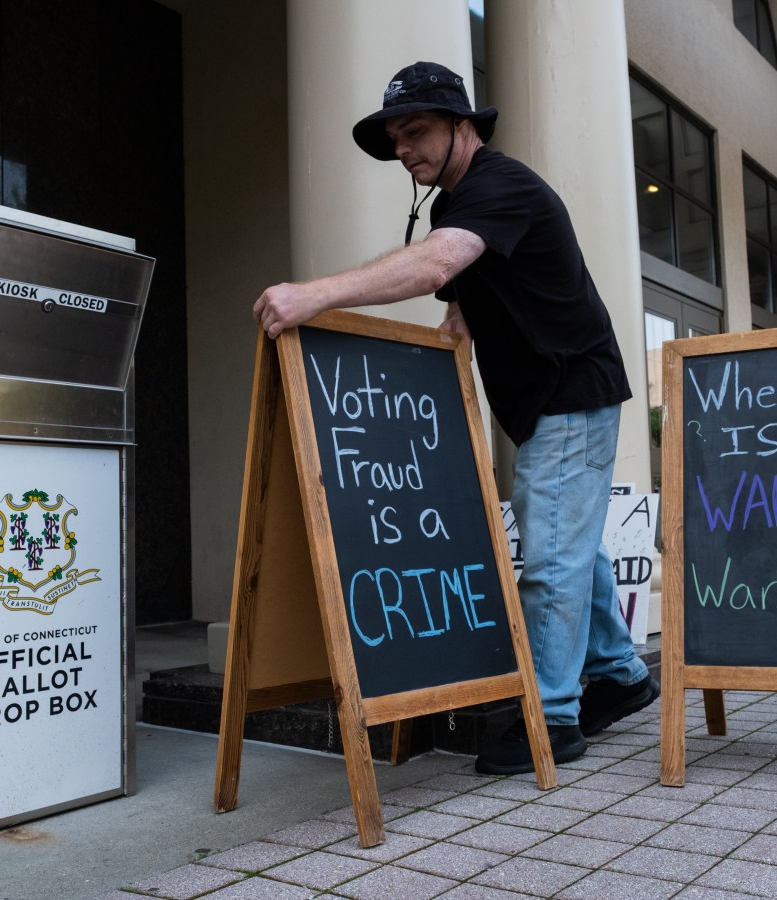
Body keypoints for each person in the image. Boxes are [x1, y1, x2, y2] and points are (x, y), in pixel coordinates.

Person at [254, 61, 658, 775]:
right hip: (548, 398)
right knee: (570, 543)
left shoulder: (497, 186)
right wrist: (461, 319)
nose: (404, 149)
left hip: (570, 391)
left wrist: (314, 296)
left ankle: (553, 718)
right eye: (395, 139)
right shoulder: (459, 202)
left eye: (416, 131)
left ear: (462, 126)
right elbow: (471, 283)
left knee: (553, 559)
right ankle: (621, 675)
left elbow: (439, 264)